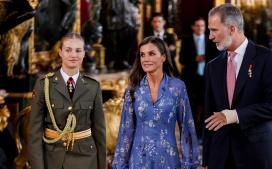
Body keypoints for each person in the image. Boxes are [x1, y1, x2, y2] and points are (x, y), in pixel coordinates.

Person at [202, 4, 272, 169]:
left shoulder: (266, 58)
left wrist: (234, 115)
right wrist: (206, 160)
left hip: (257, 154)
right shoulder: (213, 66)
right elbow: (209, 115)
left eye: (214, 30)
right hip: (221, 157)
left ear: (232, 29)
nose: (210, 36)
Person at [112, 36, 200, 169]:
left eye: (151, 54)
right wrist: (120, 164)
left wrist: (190, 163)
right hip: (138, 161)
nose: (146, 59)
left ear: (163, 57)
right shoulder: (134, 89)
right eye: (142, 55)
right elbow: (126, 130)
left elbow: (186, 128)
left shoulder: (177, 87)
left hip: (168, 161)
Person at [28, 33, 106, 169]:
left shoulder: (93, 87)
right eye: (68, 50)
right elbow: (34, 133)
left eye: (78, 50)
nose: (73, 55)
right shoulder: (44, 85)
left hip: (86, 160)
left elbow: (99, 132)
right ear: (60, 53)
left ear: (83, 54)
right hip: (53, 159)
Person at [179, 16, 218, 140]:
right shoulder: (186, 40)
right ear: (193, 27)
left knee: (205, 105)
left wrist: (205, 58)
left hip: (206, 78)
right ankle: (189, 133)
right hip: (190, 78)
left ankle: (201, 133)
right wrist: (194, 59)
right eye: (198, 25)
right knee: (190, 105)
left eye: (202, 25)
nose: (200, 28)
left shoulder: (211, 40)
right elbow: (182, 60)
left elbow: (217, 58)